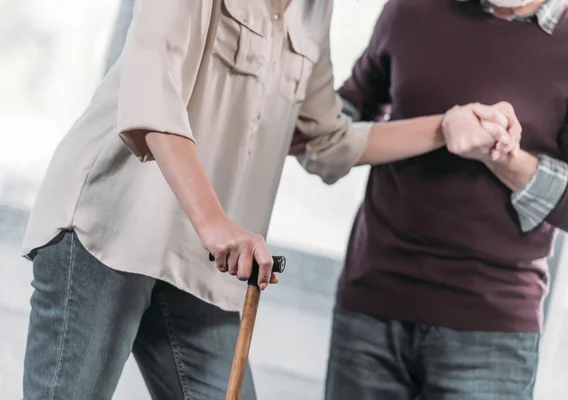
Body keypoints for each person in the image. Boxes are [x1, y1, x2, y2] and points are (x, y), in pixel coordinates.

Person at [20, 0, 518, 399]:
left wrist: (445, 128)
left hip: (202, 264)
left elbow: (326, 140)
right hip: (109, 231)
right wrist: (216, 224)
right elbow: (153, 93)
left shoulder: (314, 10)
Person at [302, 0, 568, 399]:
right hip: (369, 309)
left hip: (491, 335)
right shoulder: (409, 10)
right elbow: (333, 130)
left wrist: (503, 156)